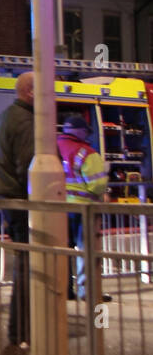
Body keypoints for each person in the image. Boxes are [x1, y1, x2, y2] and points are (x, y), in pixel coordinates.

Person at [0, 72, 35, 350]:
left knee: (24, 265)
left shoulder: (5, 116)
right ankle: (22, 331)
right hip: (22, 203)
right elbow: (29, 166)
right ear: (30, 92)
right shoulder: (26, 122)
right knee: (29, 268)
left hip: (8, 200)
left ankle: (20, 331)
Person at [56, 114, 109, 302]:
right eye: (86, 132)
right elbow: (97, 185)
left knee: (63, 250)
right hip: (85, 209)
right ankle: (86, 292)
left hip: (59, 209)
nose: (87, 135)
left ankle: (64, 290)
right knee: (87, 251)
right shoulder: (87, 153)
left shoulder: (53, 148)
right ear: (80, 131)